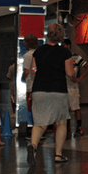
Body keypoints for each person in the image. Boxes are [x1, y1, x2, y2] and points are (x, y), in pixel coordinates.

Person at [26, 23, 74, 166]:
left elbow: (33, 69)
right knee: (61, 123)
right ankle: (58, 155)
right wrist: (74, 71)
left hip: (39, 89)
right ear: (61, 36)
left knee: (40, 123)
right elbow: (70, 73)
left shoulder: (38, 51)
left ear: (48, 34)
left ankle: (33, 146)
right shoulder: (65, 52)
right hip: (58, 90)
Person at [62, 38, 88, 136]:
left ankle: (79, 128)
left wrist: (79, 78)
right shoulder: (61, 57)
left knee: (76, 107)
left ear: (68, 46)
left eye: (64, 45)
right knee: (66, 109)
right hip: (63, 87)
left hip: (73, 87)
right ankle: (67, 128)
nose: (63, 47)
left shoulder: (76, 57)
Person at [21, 33, 39, 139]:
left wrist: (23, 78)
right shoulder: (40, 53)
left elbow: (26, 71)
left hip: (31, 86)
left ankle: (34, 131)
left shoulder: (27, 56)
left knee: (32, 109)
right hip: (40, 85)